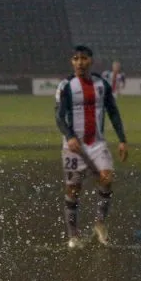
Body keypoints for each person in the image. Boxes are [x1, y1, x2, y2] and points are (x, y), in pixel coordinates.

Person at [55, 45, 129, 248]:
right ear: (72, 62)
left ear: (91, 61)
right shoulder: (67, 86)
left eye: (84, 58)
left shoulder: (101, 84)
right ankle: (73, 235)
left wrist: (122, 139)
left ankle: (100, 224)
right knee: (73, 189)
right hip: (73, 146)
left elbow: (113, 112)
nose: (80, 62)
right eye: (76, 58)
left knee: (106, 178)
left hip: (96, 143)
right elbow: (59, 117)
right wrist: (69, 136)